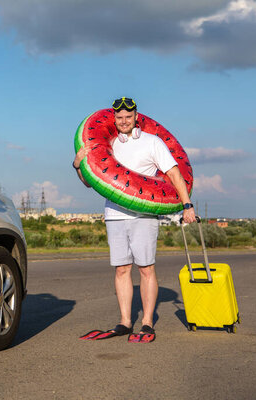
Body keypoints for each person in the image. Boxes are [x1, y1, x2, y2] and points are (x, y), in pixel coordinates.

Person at [73, 97, 196, 342]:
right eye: (119, 118)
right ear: (114, 119)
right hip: (114, 216)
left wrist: (187, 205)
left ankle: (147, 323)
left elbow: (173, 173)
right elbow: (90, 182)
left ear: (136, 117)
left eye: (128, 117)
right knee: (121, 269)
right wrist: (78, 164)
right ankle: (125, 322)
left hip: (144, 216)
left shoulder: (153, 142)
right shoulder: (108, 145)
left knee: (146, 268)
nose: (124, 122)